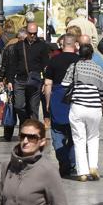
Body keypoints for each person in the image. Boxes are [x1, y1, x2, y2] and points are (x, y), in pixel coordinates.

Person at [62, 44, 103, 182]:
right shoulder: (97, 68)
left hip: (77, 106)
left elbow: (65, 84)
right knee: (93, 137)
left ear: (79, 54)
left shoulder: (74, 66)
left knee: (79, 139)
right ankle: (93, 167)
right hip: (94, 108)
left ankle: (82, 172)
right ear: (91, 54)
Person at [43, 34, 80, 177]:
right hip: (75, 98)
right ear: (75, 45)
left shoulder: (54, 60)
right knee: (73, 133)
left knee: (57, 132)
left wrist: (47, 102)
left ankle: (63, 159)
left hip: (57, 97)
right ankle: (71, 162)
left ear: (62, 44)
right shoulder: (80, 61)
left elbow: (47, 83)